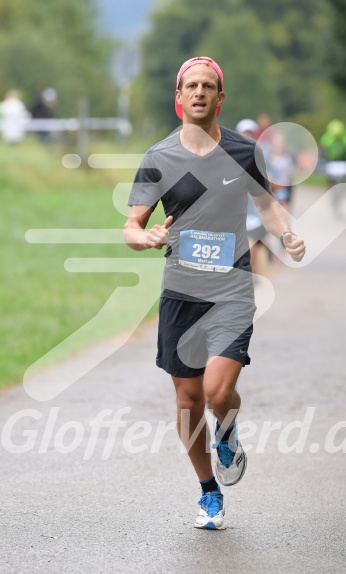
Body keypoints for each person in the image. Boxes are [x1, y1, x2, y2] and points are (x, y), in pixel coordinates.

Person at [124, 56, 305, 530]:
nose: (200, 92)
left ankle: (227, 431)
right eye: (192, 86)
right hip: (181, 293)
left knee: (218, 391)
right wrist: (145, 238)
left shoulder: (245, 153)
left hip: (231, 289)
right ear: (179, 98)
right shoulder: (158, 158)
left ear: (220, 98)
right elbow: (132, 225)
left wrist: (287, 234)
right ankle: (208, 492)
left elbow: (268, 205)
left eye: (209, 86)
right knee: (188, 402)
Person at [235, 119, 268, 276]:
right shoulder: (229, 156)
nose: (247, 136)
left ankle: (250, 277)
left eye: (250, 133)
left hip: (255, 214)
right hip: (235, 216)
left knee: (252, 247)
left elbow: (271, 181)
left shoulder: (262, 156)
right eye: (244, 133)